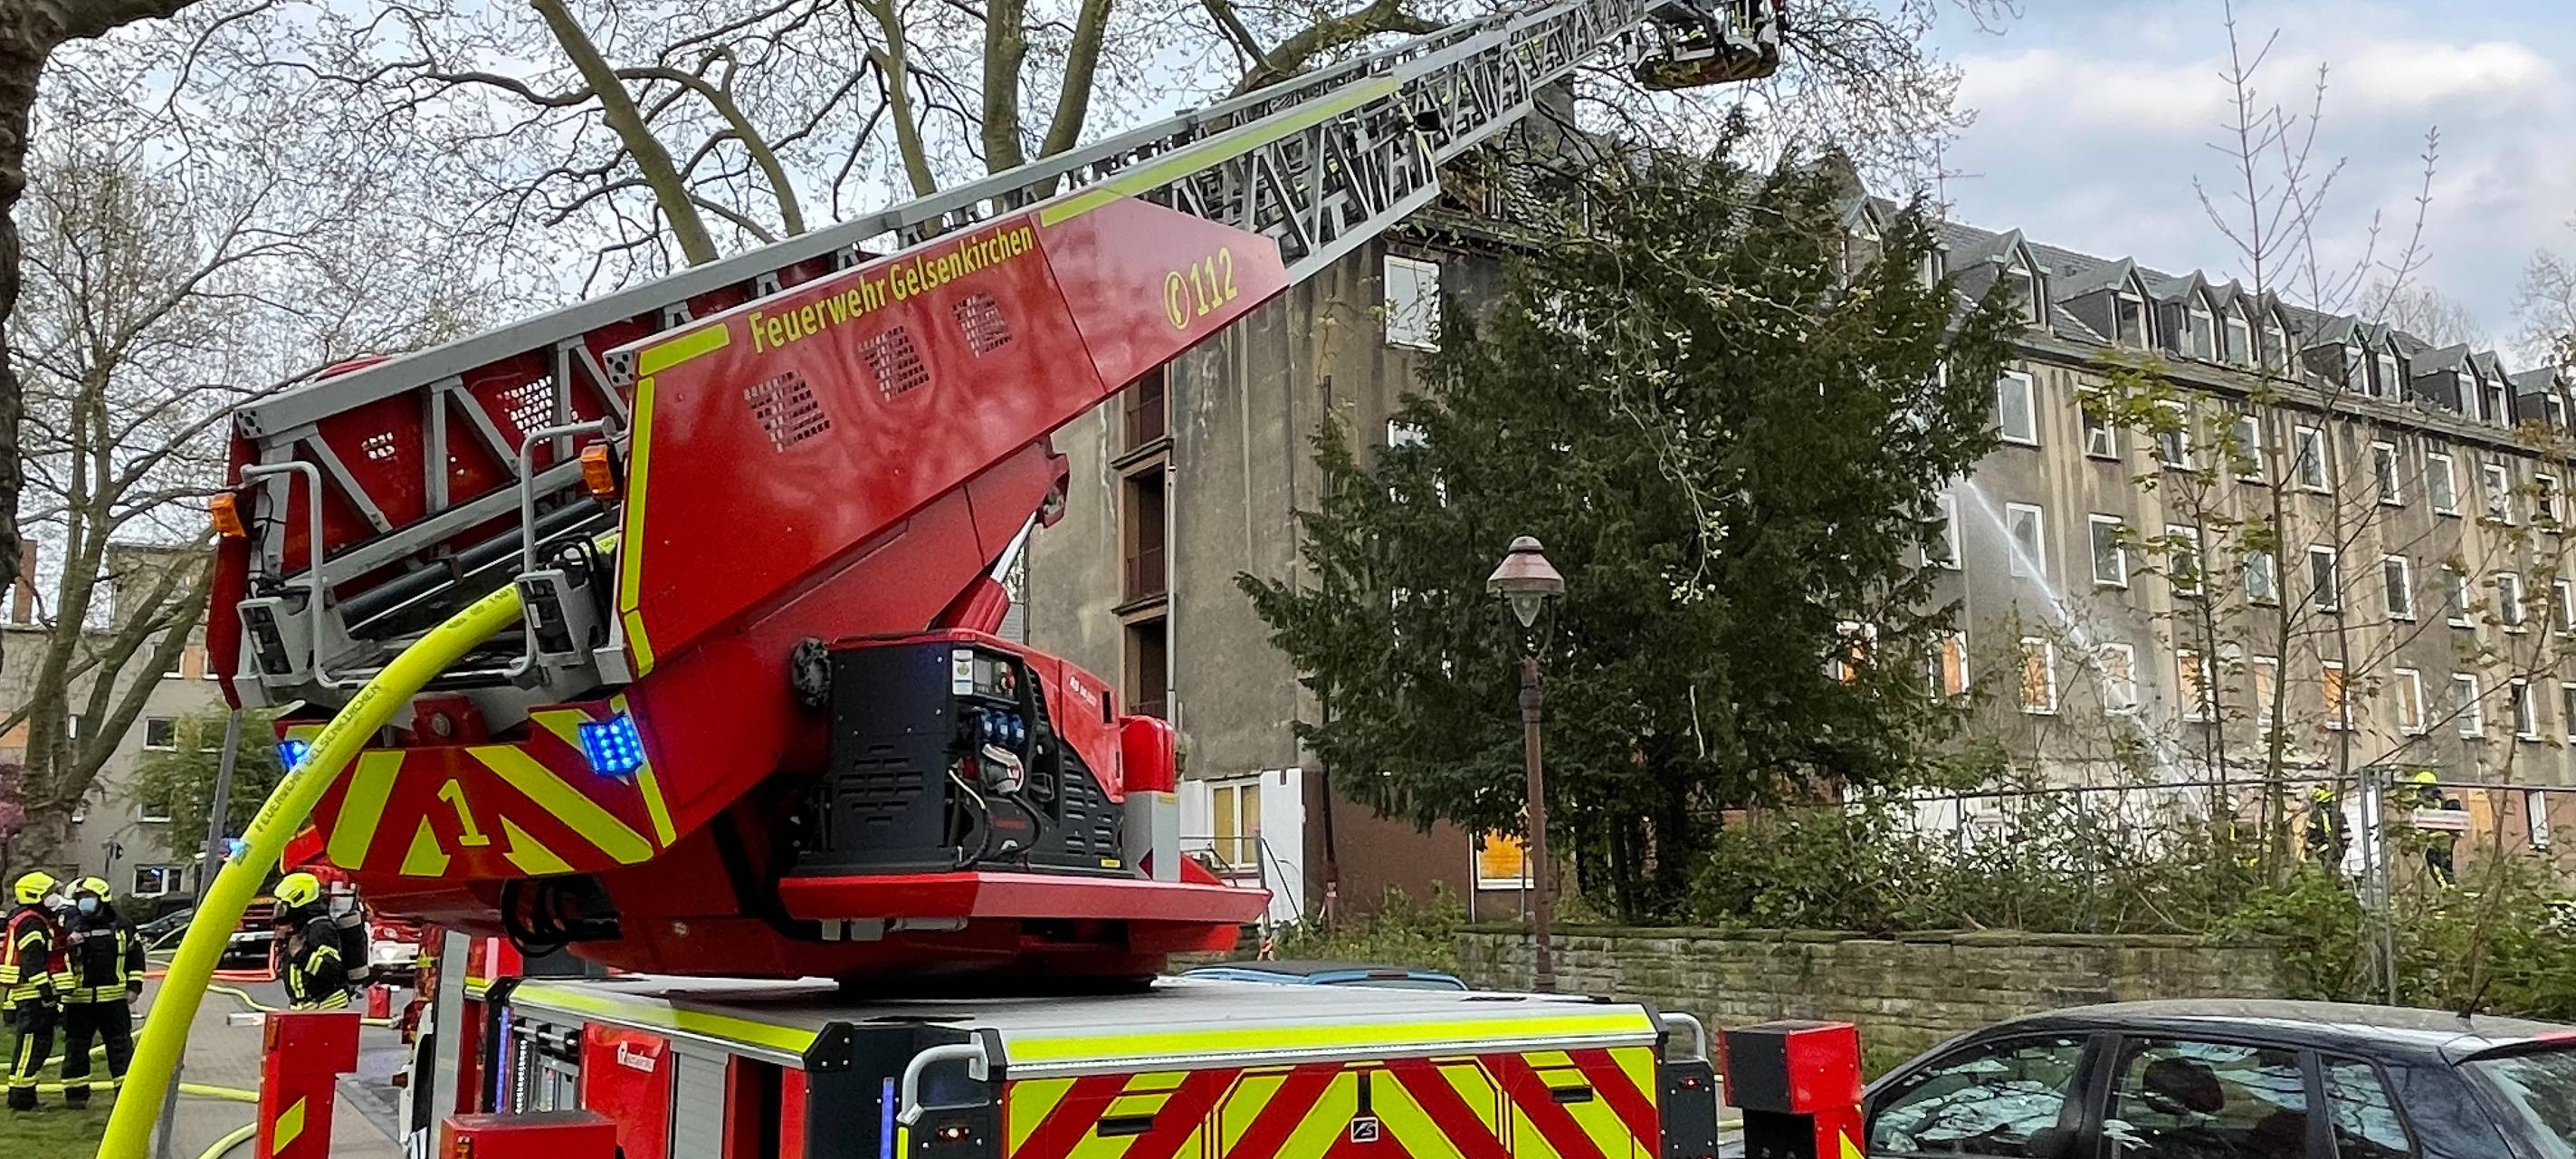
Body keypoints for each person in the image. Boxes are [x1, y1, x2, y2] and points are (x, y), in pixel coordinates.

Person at [58, 876, 142, 1108]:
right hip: (78, 999)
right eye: (81, 898)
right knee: (76, 1048)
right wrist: (67, 943)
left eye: (88, 897)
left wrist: (134, 987)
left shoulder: (122, 925)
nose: (84, 902)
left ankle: (125, 1095)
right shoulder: (67, 924)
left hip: (113, 1000)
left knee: (120, 1048)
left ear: (102, 898)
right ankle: (76, 1096)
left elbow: (136, 957)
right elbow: (54, 954)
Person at [4, 871, 63, 1112]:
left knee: (38, 1045)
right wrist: (47, 993)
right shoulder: (32, 922)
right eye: (50, 893)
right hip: (32, 995)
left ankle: (26, 1094)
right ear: (36, 895)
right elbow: (33, 962)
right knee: (31, 1046)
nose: (55, 897)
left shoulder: (32, 918)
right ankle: (21, 1099)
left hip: (30, 994)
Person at [273, 873, 350, 1011]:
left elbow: (330, 971)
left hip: (325, 1007)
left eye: (284, 906)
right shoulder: (306, 929)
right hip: (309, 1008)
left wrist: (300, 954)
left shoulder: (321, 929)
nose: (281, 911)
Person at [2303, 786, 2348, 867]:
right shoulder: (2335, 812)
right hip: (2330, 846)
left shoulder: (2318, 814)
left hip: (2333, 846)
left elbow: (2313, 833)